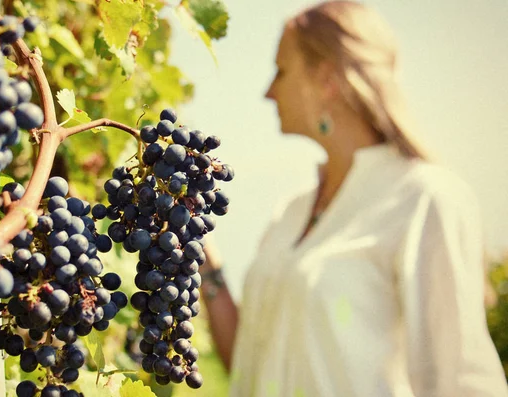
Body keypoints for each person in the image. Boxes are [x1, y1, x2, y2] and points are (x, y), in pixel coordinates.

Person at [199, 1, 508, 396]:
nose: (268, 92)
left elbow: (461, 382)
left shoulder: (425, 200)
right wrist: (201, 257)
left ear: (326, 78)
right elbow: (250, 364)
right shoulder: (292, 213)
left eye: (281, 70)